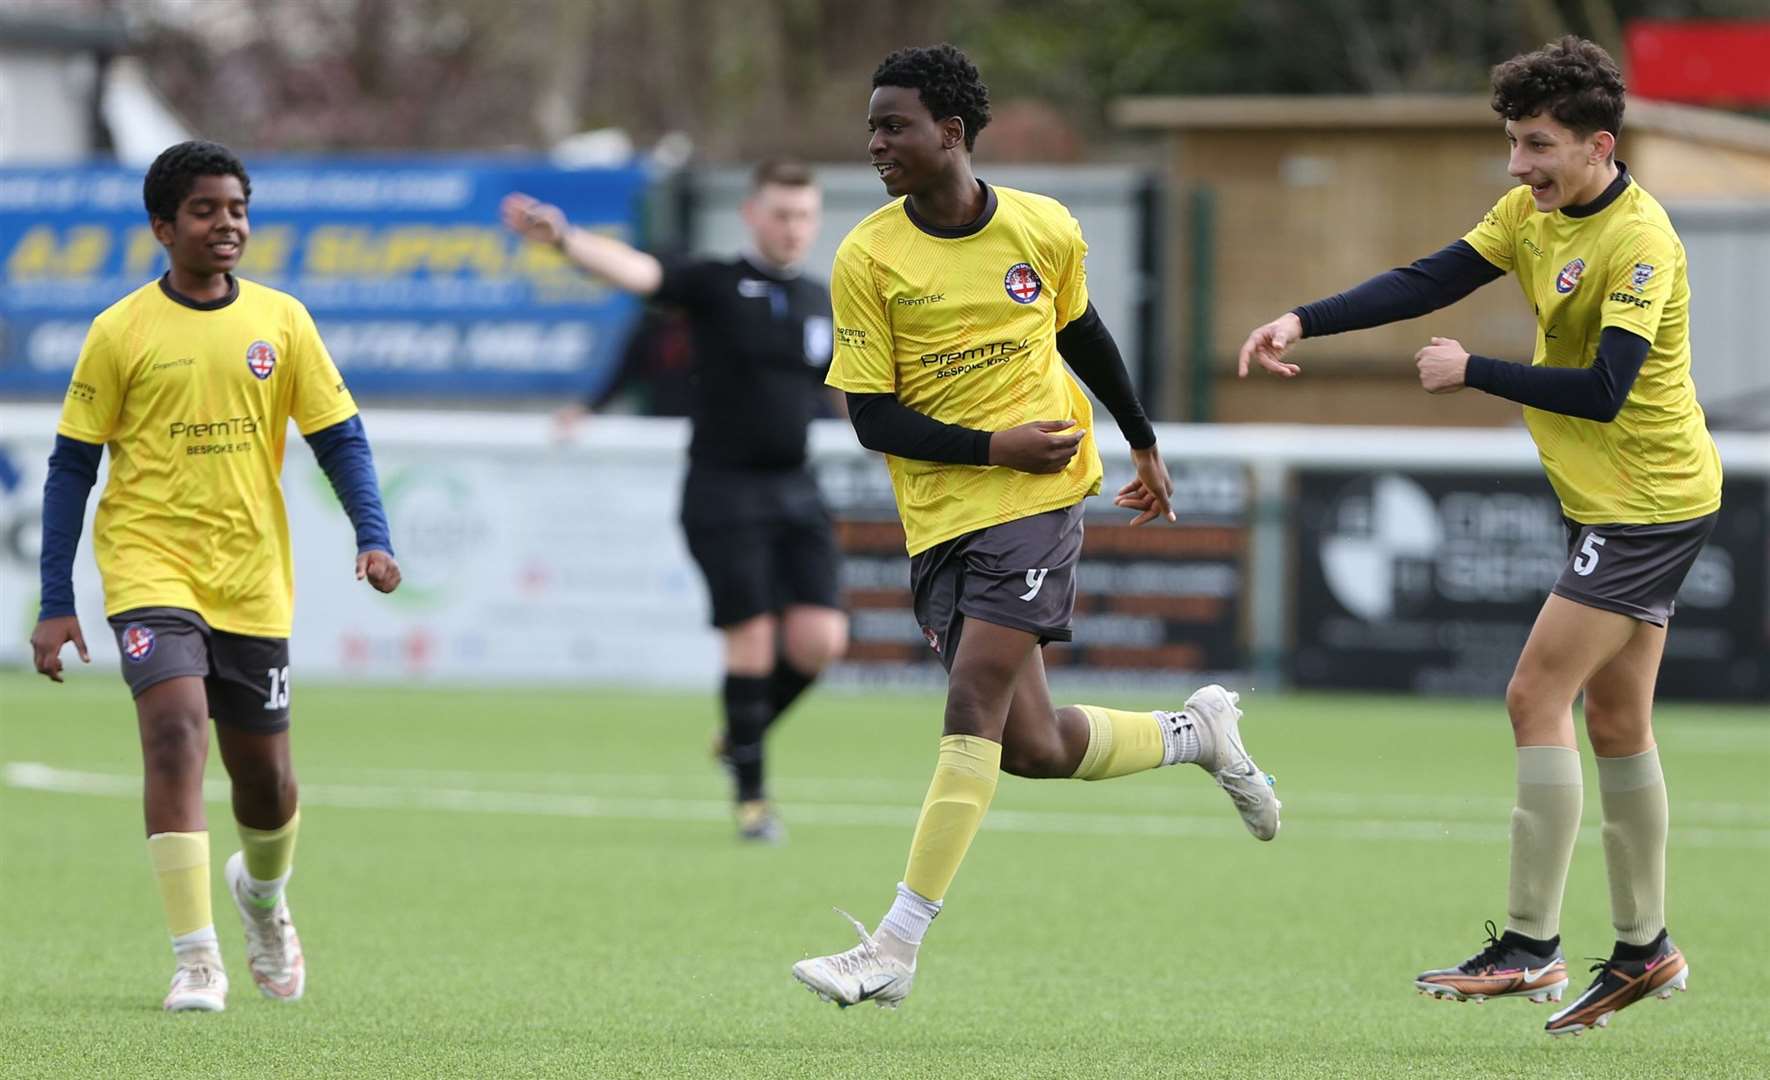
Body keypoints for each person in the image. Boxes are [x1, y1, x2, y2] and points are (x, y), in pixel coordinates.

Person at [789, 43, 1281, 1010]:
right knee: (1034, 745)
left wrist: (1140, 440)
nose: (877, 143)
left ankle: (893, 948)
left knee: (972, 698)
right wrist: (989, 446)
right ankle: (1199, 733)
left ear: (952, 134)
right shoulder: (866, 256)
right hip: (944, 513)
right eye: (872, 126)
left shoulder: (1042, 228)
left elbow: (1081, 330)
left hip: (1040, 499)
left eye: (895, 125)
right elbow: (870, 417)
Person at [1238, 36, 1711, 1037]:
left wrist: (1477, 371)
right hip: (1617, 500)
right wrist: (1300, 320)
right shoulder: (1531, 214)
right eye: (1511, 143)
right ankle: (1645, 949)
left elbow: (1606, 387)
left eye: (1536, 145)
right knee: (1617, 723)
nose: (1516, 166)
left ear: (1599, 144)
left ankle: (1531, 948)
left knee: (1534, 693)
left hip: (1649, 502)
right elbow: (1427, 278)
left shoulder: (1641, 243)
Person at [30, 141, 401, 1013]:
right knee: (173, 731)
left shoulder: (282, 321)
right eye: (204, 210)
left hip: (250, 574)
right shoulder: (119, 331)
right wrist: (55, 601)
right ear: (163, 227)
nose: (225, 223)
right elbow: (71, 468)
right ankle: (196, 958)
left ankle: (263, 899)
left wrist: (372, 536)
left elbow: (339, 438)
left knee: (265, 782)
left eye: (236, 208)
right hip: (149, 564)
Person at [501, 161, 849, 843]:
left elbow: (843, 391)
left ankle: (739, 735)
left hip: (796, 488)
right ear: (752, 214)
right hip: (722, 489)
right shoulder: (714, 283)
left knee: (820, 641)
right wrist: (565, 238)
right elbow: (636, 272)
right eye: (781, 213)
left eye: (805, 216)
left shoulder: (819, 299)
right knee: (749, 637)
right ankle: (753, 798)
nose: (793, 228)